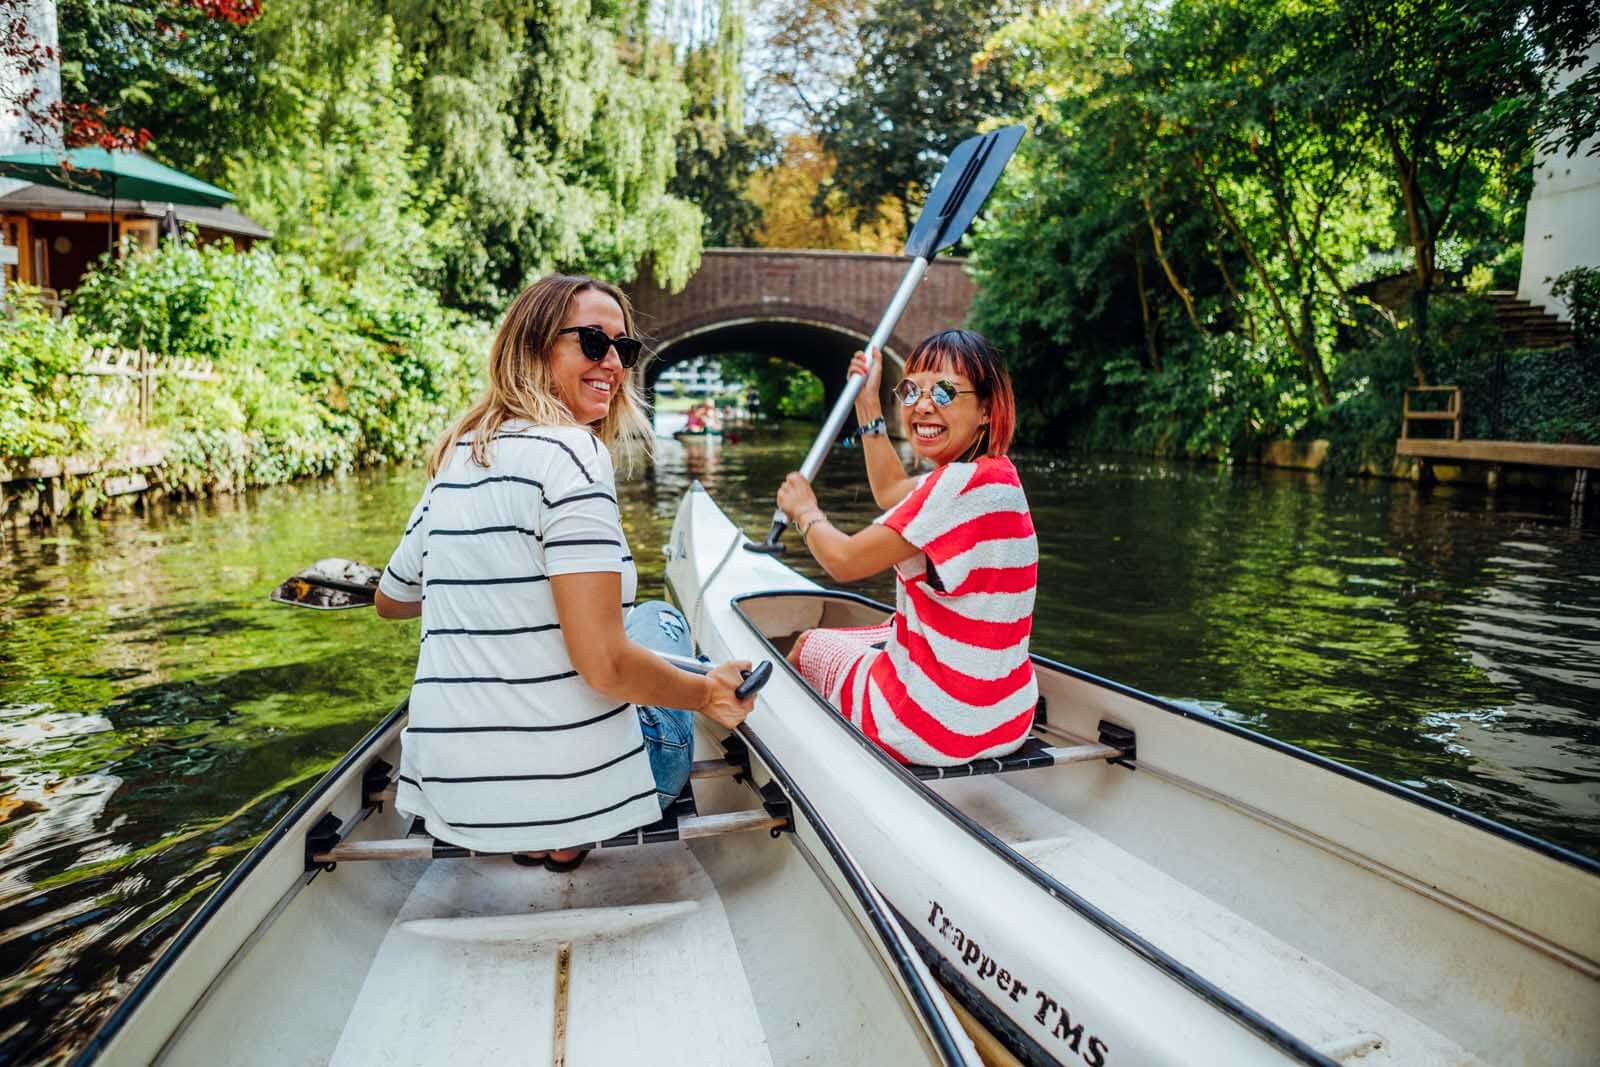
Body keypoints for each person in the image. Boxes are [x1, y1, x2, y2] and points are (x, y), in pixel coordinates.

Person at [373, 274, 755, 871]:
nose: (613, 364)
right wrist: (709, 693)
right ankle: (564, 831)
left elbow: (391, 600)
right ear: (533, 346)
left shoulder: (457, 456)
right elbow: (603, 664)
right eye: (593, 343)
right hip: (568, 793)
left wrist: (481, 569)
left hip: (456, 798)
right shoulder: (573, 455)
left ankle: (531, 825)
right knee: (658, 619)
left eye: (623, 350)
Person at [775, 330, 1038, 767]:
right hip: (1009, 721)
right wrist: (868, 402)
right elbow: (890, 490)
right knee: (888, 626)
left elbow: (843, 560)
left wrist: (805, 512)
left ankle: (788, 755)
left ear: (987, 410)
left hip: (926, 727)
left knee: (809, 643)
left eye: (945, 392)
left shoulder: (951, 488)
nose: (923, 404)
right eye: (912, 390)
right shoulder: (997, 476)